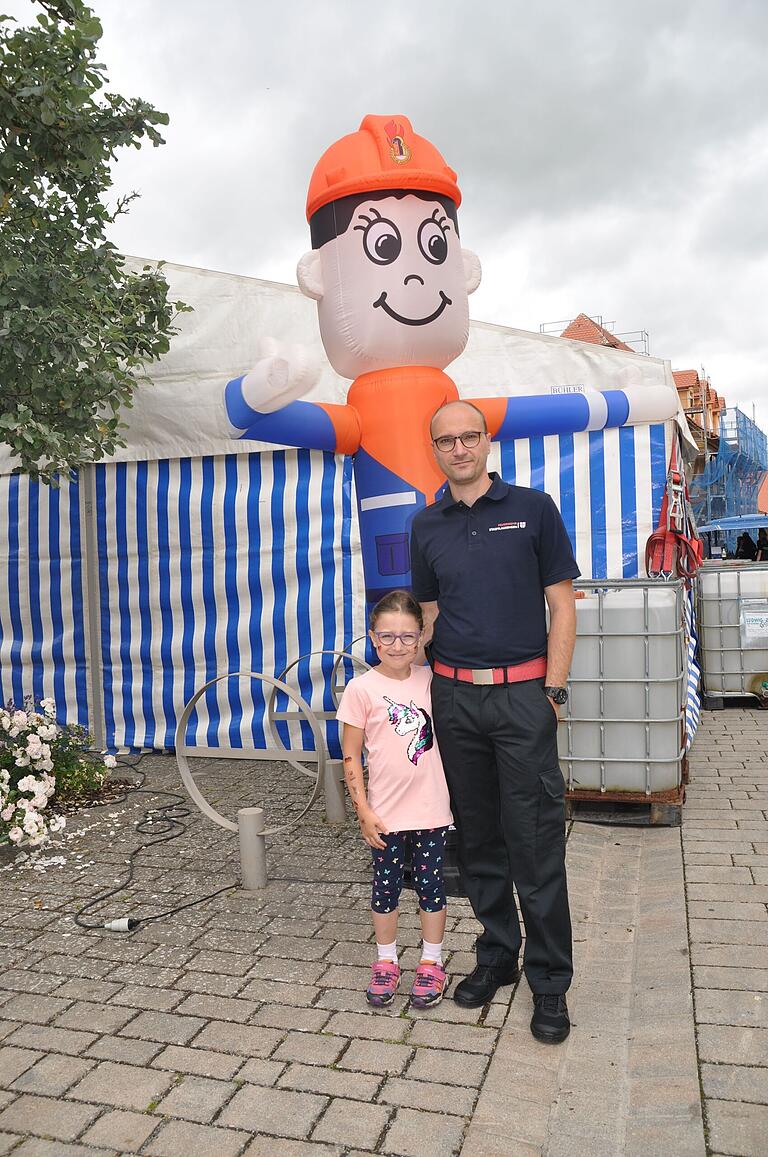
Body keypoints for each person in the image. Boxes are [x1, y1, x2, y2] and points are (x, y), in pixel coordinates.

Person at [409, 399, 580, 1044]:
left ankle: (551, 983)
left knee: (534, 843)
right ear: (434, 449)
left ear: (487, 441)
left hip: (521, 698)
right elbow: (430, 613)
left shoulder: (533, 510)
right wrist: (395, 674)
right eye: (445, 440)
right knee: (479, 839)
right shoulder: (427, 526)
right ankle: (497, 955)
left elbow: (562, 606)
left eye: (468, 437)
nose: (458, 448)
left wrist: (554, 691)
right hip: (454, 700)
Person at [337, 589, 454, 1009]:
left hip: (432, 812)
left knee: (430, 886)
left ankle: (431, 962)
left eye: (408, 637)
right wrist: (363, 811)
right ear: (373, 638)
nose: (398, 646)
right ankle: (386, 961)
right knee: (385, 889)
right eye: (388, 637)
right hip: (384, 815)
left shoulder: (435, 680)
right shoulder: (360, 689)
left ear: (422, 637)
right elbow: (350, 755)